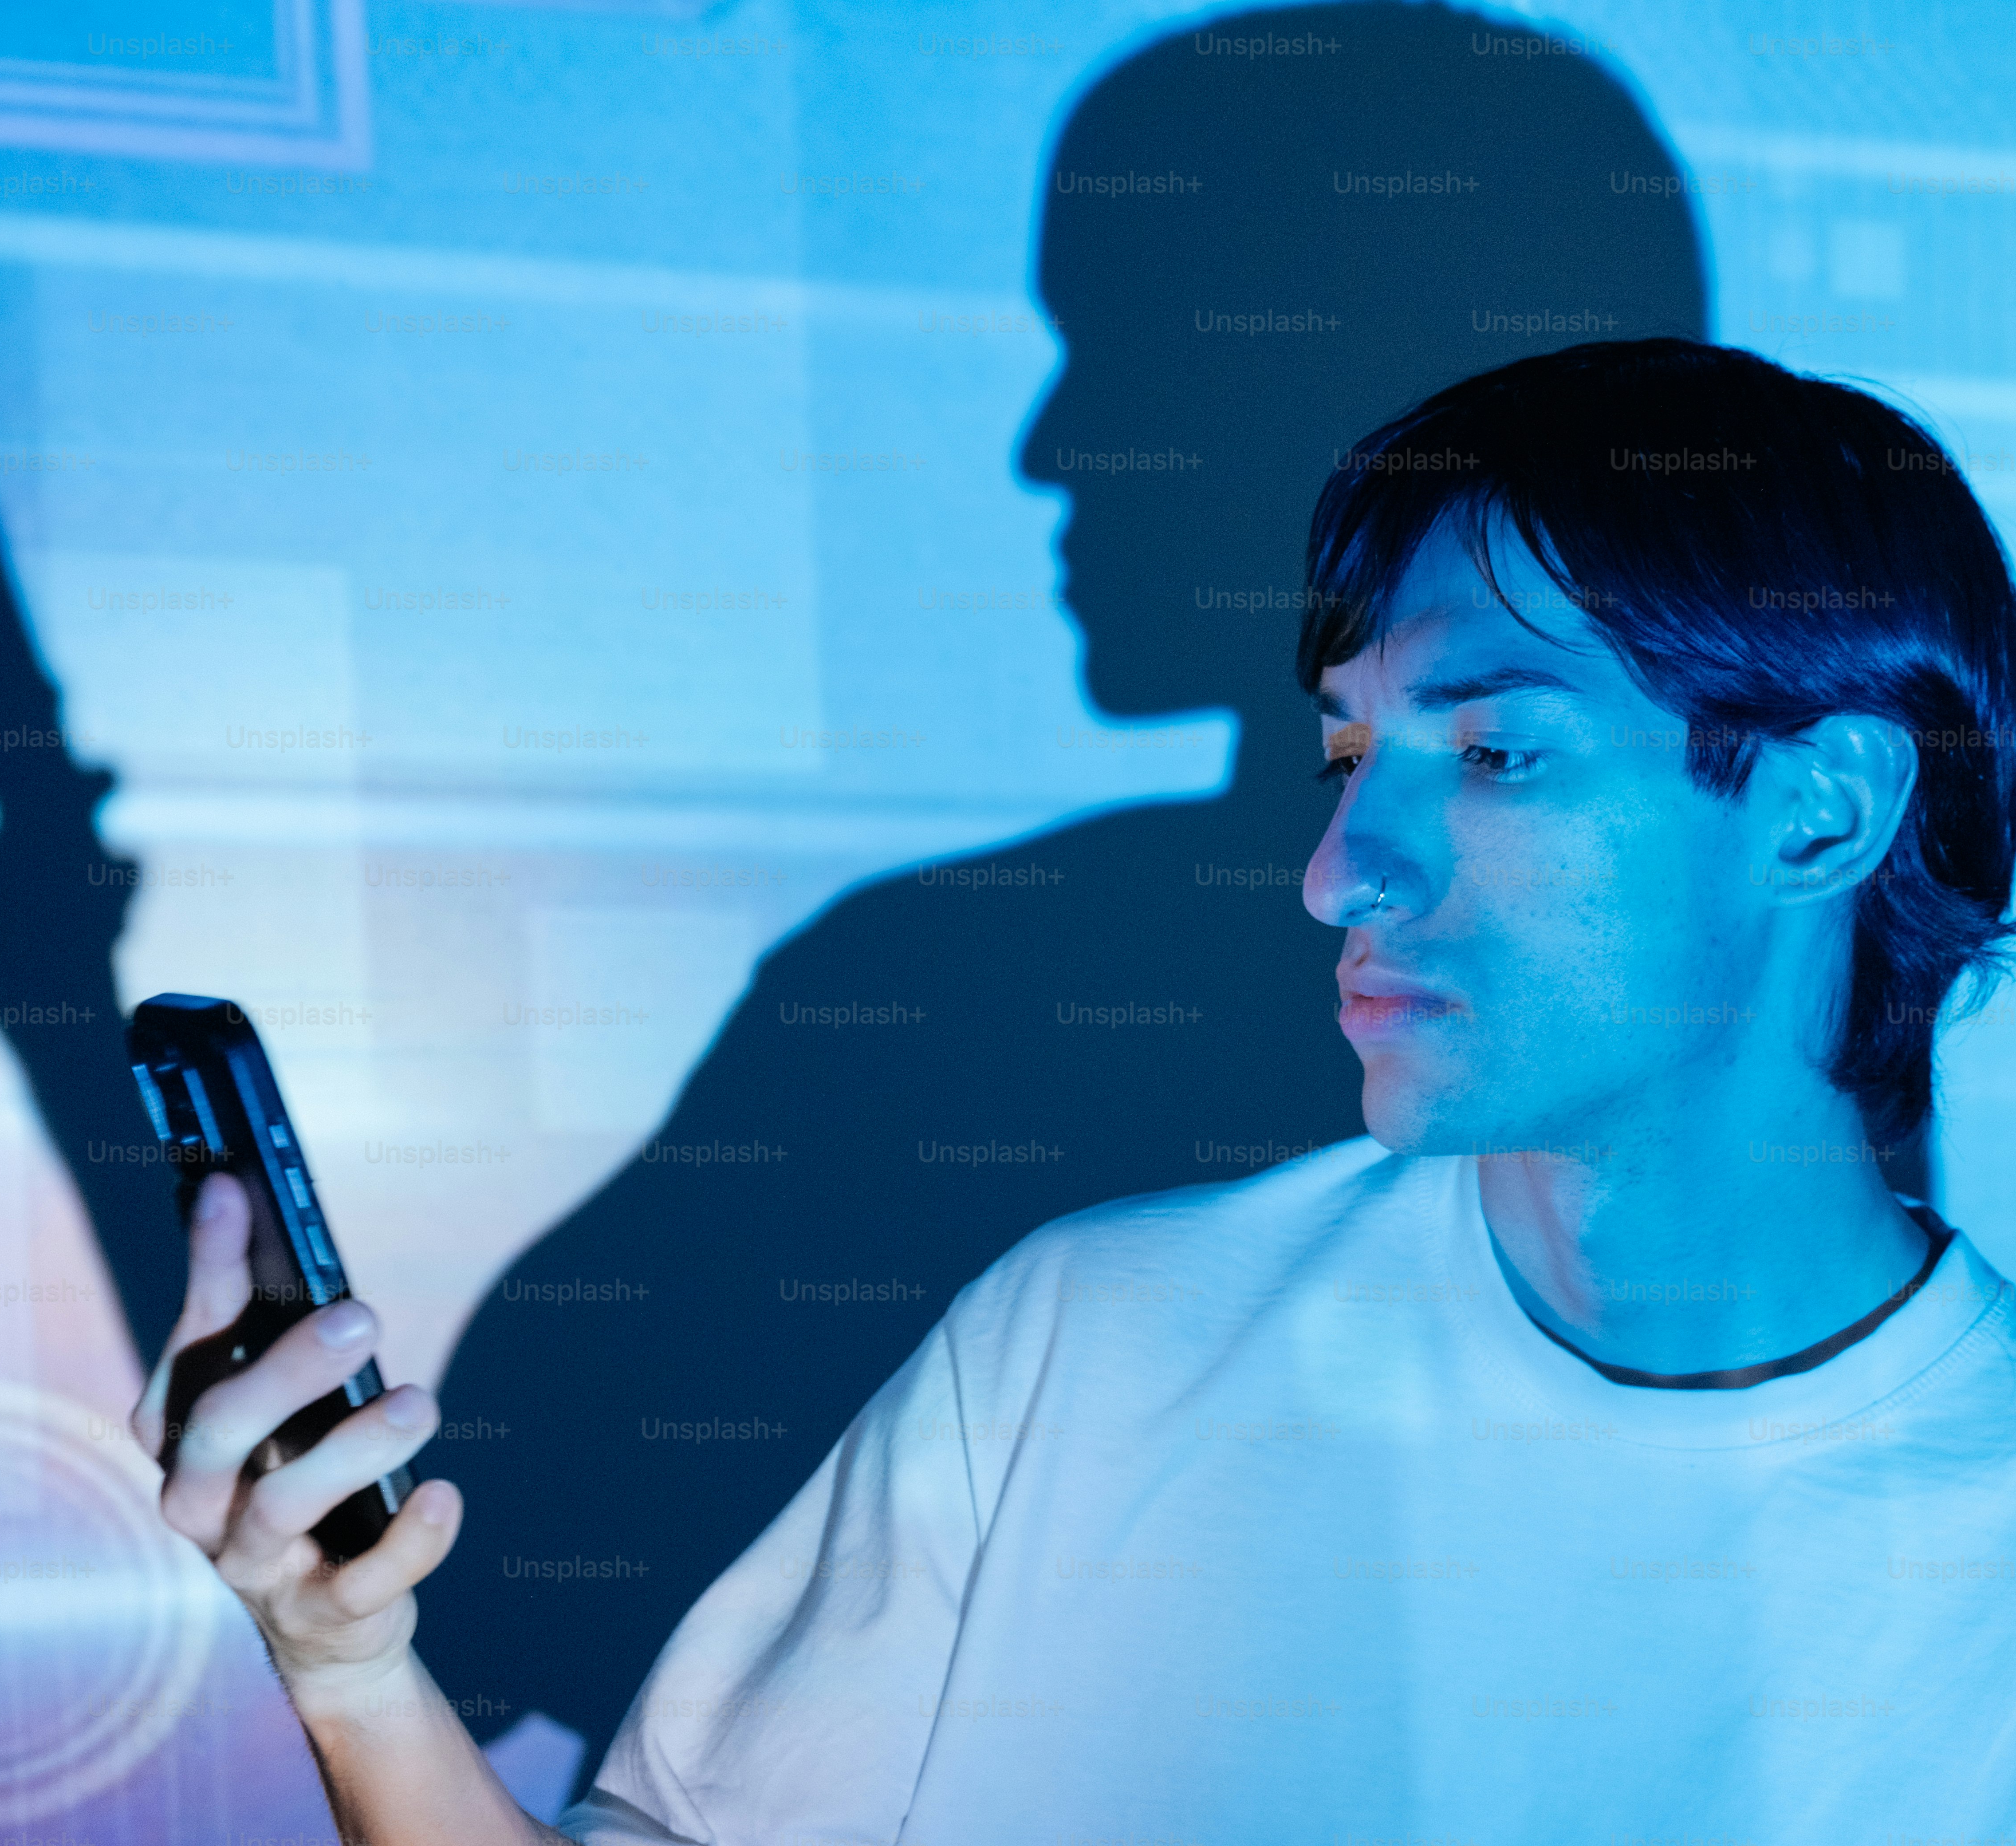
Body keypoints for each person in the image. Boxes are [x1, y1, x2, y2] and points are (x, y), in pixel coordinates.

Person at [139, 338, 2016, 1844]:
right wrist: (346, 1664)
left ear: (1818, 809)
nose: (1335, 869)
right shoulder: (1081, 1339)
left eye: (1494, 749)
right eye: (1344, 749)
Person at [413, 0, 1709, 1783]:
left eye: (1132, 346)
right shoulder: (935, 993)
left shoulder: (934, 993)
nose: (1051, 442)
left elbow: (467, 1584)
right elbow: (455, 1592)